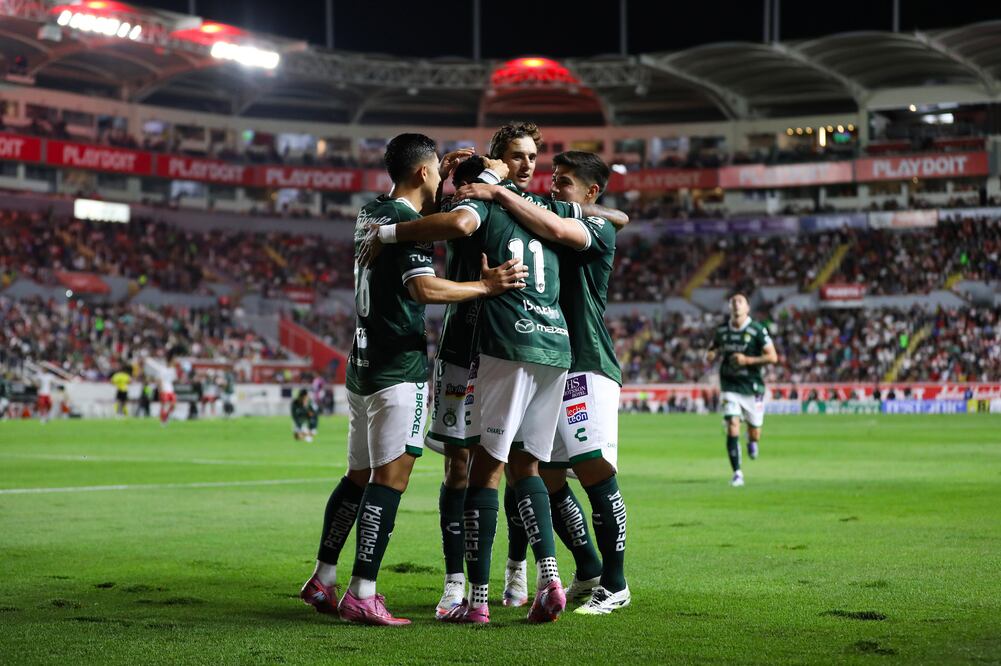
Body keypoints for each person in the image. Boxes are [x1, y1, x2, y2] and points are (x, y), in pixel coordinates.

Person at [298, 133, 528, 627]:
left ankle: (322, 576)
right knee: (391, 479)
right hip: (398, 368)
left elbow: (432, 211)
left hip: (361, 365)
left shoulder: (371, 212)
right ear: (425, 172)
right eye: (437, 173)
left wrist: (442, 175)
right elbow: (423, 287)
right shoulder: (407, 223)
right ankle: (363, 592)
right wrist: (484, 286)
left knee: (357, 477)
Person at [454, 150, 632, 614]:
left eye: (566, 182)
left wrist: (496, 190)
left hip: (587, 362)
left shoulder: (596, 228)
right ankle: (589, 565)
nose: (554, 187)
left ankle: (615, 583)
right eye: (554, 179)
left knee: (593, 467)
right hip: (549, 360)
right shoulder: (546, 211)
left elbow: (569, 225)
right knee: (547, 474)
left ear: (591, 193)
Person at [705, 294, 778, 487]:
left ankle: (751, 441)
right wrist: (711, 354)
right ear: (730, 307)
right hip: (729, 385)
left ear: (747, 308)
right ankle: (737, 473)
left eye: (740, 301)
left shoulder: (757, 330)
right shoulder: (721, 331)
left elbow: (773, 357)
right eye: (733, 302)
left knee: (755, 432)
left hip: (752, 387)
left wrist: (748, 360)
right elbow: (712, 349)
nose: (736, 304)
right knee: (732, 426)